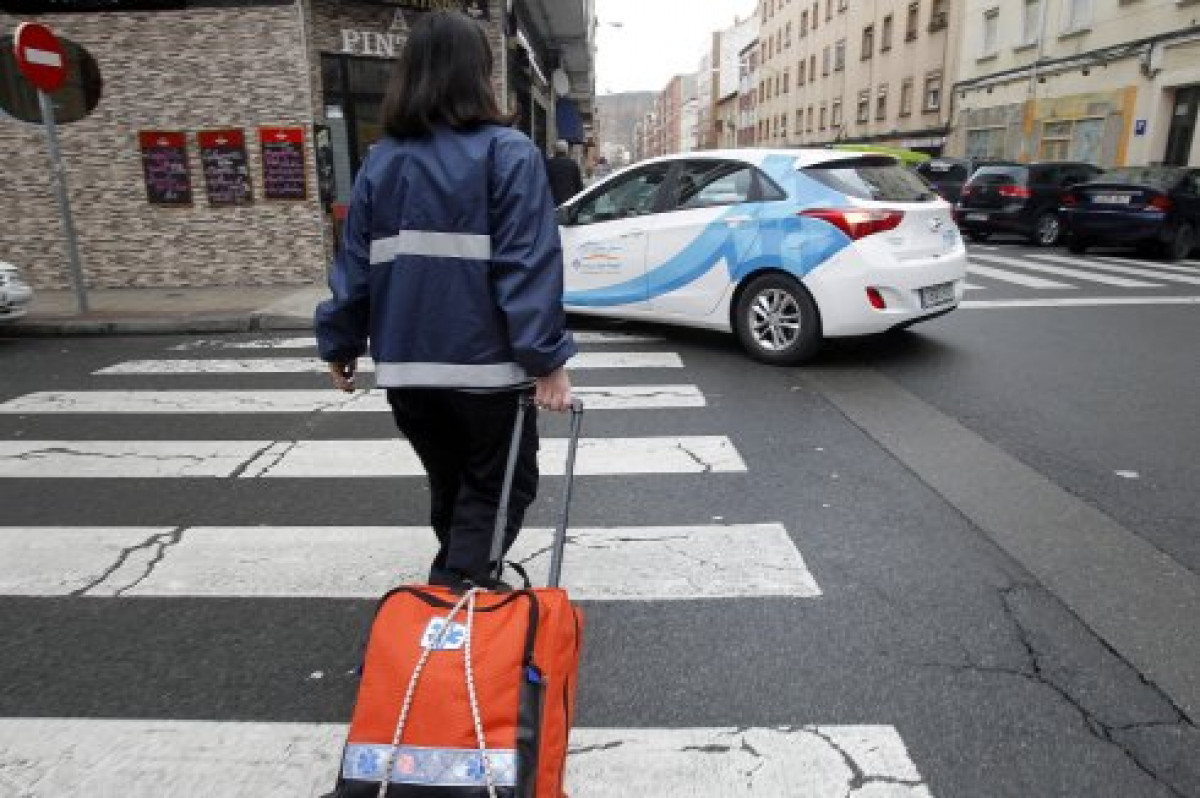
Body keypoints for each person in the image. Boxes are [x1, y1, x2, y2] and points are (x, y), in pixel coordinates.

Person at [314, 10, 575, 591]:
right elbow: (527, 264)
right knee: (501, 489)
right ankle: (455, 602)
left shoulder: (381, 161)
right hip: (486, 372)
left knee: (454, 488)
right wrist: (546, 361)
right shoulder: (507, 153)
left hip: (408, 372)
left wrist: (340, 342)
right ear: (479, 74)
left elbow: (353, 265)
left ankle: (459, 591)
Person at [545, 139, 584, 205]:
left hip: (553, 202)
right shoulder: (573, 164)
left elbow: (545, 184)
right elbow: (579, 185)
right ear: (566, 151)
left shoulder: (549, 164)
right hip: (570, 201)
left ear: (555, 150)